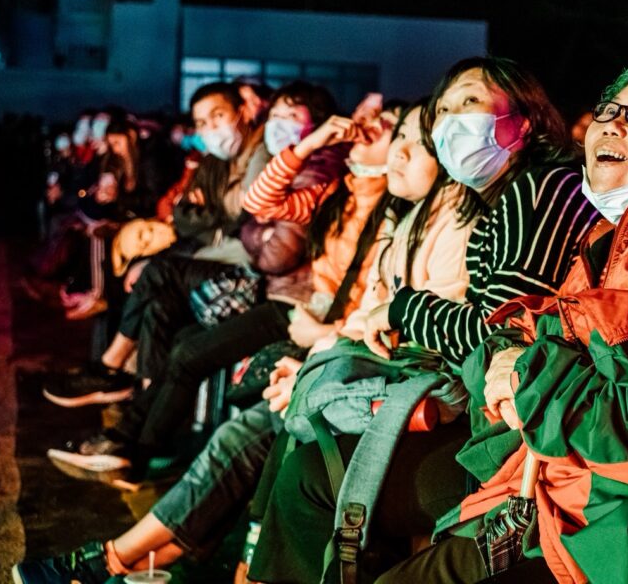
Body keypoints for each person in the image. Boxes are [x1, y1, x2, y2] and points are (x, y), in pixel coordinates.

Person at [11, 105, 447, 584]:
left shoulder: (407, 215)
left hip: (328, 340)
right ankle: (121, 538)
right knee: (178, 328)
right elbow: (258, 207)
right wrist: (309, 146)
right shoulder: (350, 191)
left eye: (405, 133)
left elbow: (313, 274)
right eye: (393, 129)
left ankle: (120, 540)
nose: (381, 135)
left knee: (233, 407)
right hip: (321, 335)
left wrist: (320, 343)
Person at [374, 56, 628, 584]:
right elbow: (514, 336)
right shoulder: (608, 244)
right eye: (609, 109)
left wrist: (523, 375)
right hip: (558, 503)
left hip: (619, 538)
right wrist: (518, 366)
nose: (611, 122)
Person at [246, 57, 598, 582]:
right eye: (444, 109)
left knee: (311, 473)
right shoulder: (507, 198)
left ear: (525, 119)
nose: (452, 120)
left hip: (528, 452)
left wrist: (405, 307)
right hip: (512, 431)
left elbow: (497, 340)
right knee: (311, 442)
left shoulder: (537, 191)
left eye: (470, 102)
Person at [46, 90, 389, 486]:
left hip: (290, 302)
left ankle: (129, 436)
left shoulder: (327, 175)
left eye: (377, 124)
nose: (361, 130)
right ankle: (130, 437)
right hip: (279, 295)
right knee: (171, 324)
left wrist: (247, 229)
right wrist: (254, 217)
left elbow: (271, 249)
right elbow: (242, 206)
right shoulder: (326, 174)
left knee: (179, 325)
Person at [41, 82, 267, 408]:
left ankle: (110, 367)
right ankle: (139, 406)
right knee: (148, 290)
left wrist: (202, 213)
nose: (210, 129)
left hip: (237, 265)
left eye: (218, 116)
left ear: (242, 112)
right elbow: (182, 213)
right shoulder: (216, 161)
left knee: (153, 273)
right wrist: (202, 213)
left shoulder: (259, 154)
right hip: (207, 250)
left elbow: (238, 219)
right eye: (202, 122)